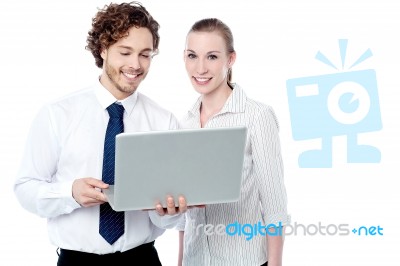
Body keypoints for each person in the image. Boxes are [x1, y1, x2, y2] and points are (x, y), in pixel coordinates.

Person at [14, 2, 186, 265]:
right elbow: (25, 188)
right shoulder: (58, 114)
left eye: (145, 54)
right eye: (125, 52)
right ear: (103, 49)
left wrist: (170, 211)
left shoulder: (164, 121)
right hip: (77, 261)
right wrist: (70, 193)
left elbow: (171, 218)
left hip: (142, 259)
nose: (136, 65)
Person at [176, 18, 290, 266]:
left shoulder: (257, 116)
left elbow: (275, 205)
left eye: (213, 57)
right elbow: (185, 218)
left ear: (230, 59)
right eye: (192, 56)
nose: (201, 68)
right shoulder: (184, 124)